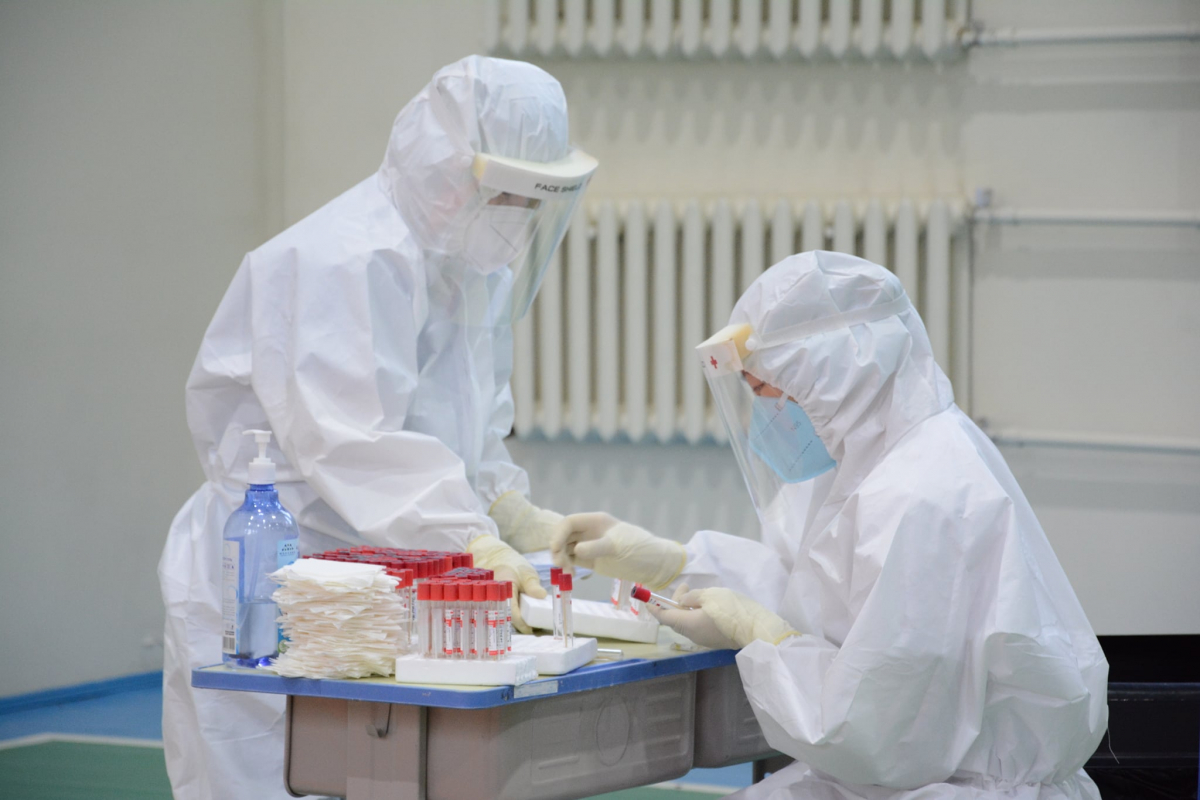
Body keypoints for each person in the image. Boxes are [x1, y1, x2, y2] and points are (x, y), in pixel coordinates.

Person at [161, 55, 597, 800]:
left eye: (535, 201)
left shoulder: (470, 269)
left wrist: (508, 509)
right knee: (271, 775)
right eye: (511, 195)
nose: (520, 218)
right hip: (271, 574)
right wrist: (474, 539)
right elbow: (353, 446)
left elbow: (471, 431)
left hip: (382, 573)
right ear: (449, 172)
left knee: (384, 775)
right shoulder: (341, 260)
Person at [553, 251, 1108, 799]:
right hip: (892, 778)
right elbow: (811, 591)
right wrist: (675, 562)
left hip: (944, 784)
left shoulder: (921, 493)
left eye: (762, 390)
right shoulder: (870, 460)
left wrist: (760, 634)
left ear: (829, 375)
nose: (762, 414)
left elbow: (872, 727)